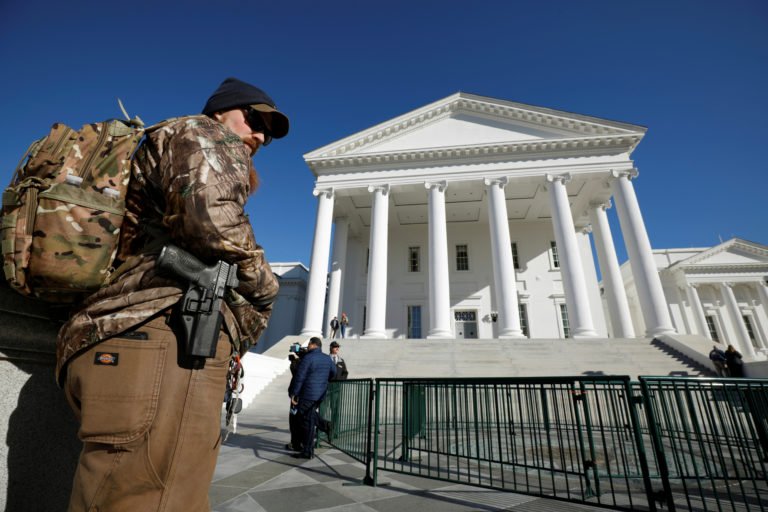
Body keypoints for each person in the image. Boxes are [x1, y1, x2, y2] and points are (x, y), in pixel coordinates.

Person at [55, 77, 289, 511]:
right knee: (156, 496)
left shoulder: (167, 141)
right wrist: (265, 286)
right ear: (221, 112)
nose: (260, 135)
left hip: (125, 337)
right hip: (162, 335)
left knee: (131, 491)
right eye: (255, 119)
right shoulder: (204, 134)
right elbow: (212, 221)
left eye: (269, 134)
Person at [287, 337, 336, 459]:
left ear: (313, 345)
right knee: (309, 416)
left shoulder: (308, 358)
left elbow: (300, 377)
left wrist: (294, 394)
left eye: (309, 344)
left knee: (307, 421)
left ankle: (308, 451)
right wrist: (323, 381)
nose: (307, 346)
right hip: (320, 394)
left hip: (307, 394)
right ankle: (324, 426)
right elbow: (333, 373)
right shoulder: (327, 358)